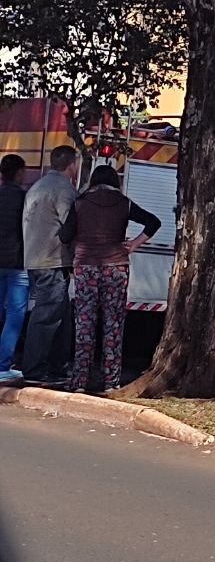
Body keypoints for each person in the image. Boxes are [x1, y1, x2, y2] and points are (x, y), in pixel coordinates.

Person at [59, 165, 161, 393]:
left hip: (86, 267)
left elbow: (65, 235)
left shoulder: (80, 203)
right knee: (113, 325)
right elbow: (153, 222)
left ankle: (79, 381)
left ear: (93, 181)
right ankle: (111, 381)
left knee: (85, 324)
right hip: (116, 267)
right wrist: (134, 243)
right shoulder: (123, 203)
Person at [21, 145, 79, 386]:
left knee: (61, 316)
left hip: (34, 257)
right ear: (71, 165)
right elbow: (70, 225)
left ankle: (58, 366)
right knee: (47, 316)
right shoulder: (64, 189)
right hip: (53, 259)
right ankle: (35, 369)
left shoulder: (37, 186)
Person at [0, 154, 29, 383]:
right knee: (14, 315)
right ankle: (3, 365)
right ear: (20, 172)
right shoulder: (24, 198)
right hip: (18, 263)